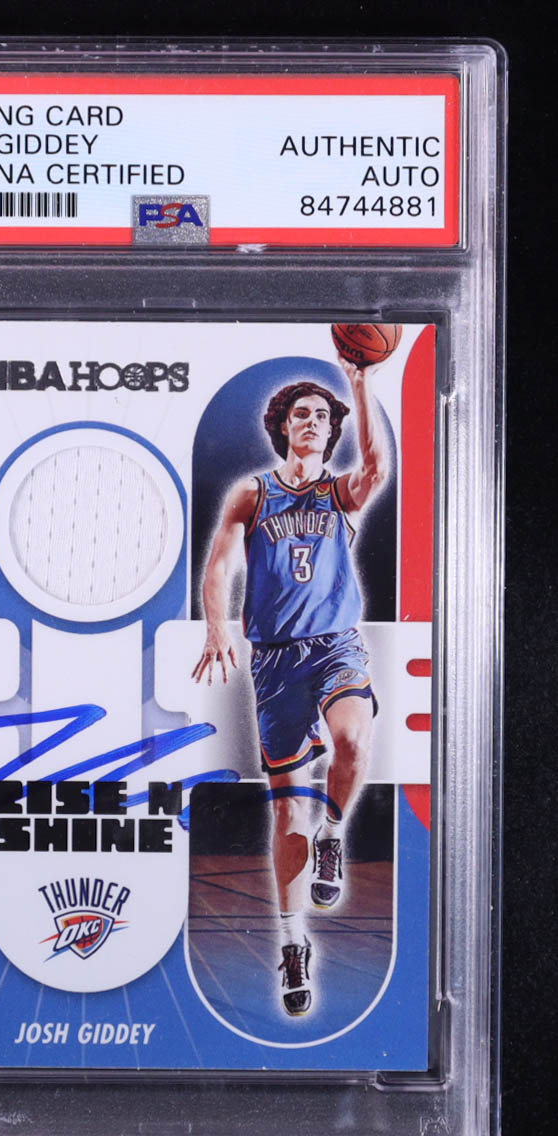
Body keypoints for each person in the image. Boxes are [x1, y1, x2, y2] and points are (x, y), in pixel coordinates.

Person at [192, 356, 388, 1015]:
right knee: (284, 812)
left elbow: (376, 469)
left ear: (332, 430)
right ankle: (293, 940)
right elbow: (220, 565)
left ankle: (334, 832)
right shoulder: (252, 493)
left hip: (335, 646)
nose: (311, 421)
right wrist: (216, 625)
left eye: (321, 415)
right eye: (300, 413)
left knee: (352, 740)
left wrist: (358, 384)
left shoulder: (339, 493)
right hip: (276, 663)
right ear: (283, 426)